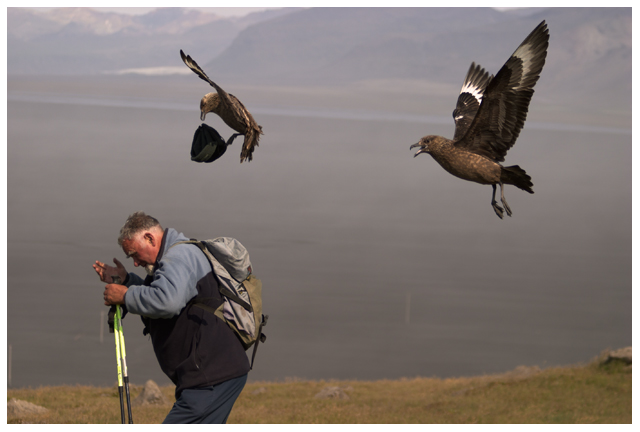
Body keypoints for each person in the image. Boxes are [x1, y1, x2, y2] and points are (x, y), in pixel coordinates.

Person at [93, 211, 250, 424]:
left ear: (149, 238)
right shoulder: (176, 255)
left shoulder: (178, 256)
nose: (135, 263)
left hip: (210, 378)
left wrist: (125, 294)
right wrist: (127, 280)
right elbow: (163, 294)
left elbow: (167, 302)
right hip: (212, 373)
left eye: (134, 254)